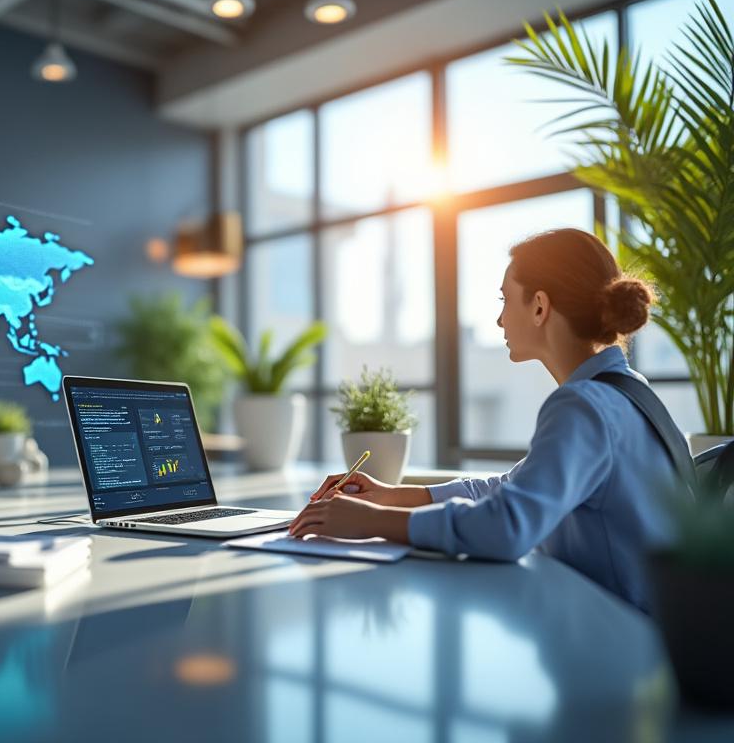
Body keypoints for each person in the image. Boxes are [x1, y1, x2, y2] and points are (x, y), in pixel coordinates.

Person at [290, 228, 683, 611]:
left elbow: (508, 526)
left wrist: (372, 521)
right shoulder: (626, 390)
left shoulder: (584, 404)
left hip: (625, 650)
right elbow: (507, 489)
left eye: (505, 300)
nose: (499, 321)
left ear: (540, 307)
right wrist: (391, 495)